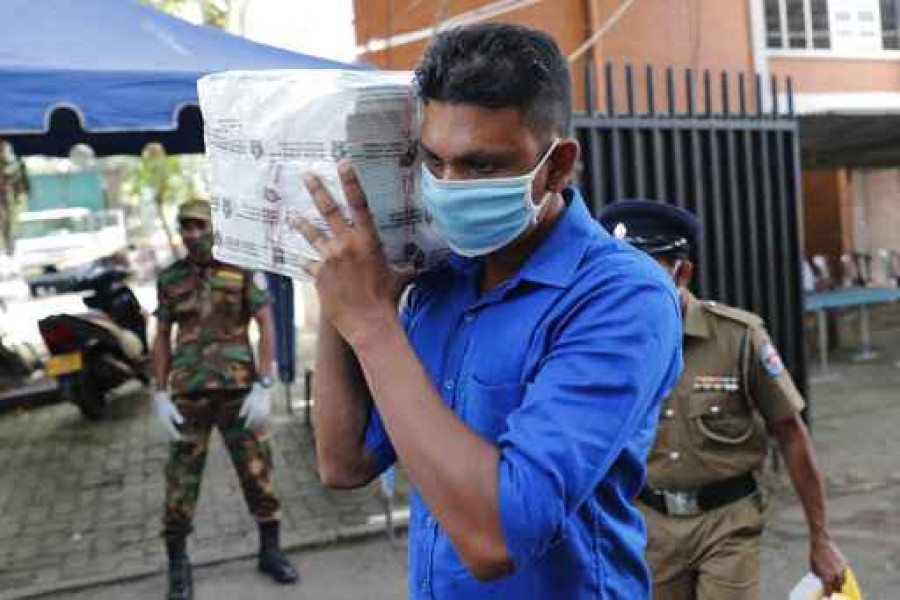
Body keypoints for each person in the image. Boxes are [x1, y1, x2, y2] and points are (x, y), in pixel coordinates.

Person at [295, 24, 682, 599]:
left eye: (482, 166)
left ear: (557, 166)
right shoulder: (440, 280)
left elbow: (496, 540)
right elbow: (344, 462)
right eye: (435, 160)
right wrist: (346, 283)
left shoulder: (622, 298)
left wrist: (373, 324)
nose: (449, 187)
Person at [598, 199, 848, 600]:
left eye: (644, 271)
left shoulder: (738, 336)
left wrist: (821, 538)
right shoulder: (604, 348)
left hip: (728, 521)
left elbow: (790, 433)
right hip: (649, 526)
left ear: (682, 272)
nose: (628, 287)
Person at [151, 198, 298, 600]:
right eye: (186, 227)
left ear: (214, 226)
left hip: (239, 394)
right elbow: (162, 336)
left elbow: (267, 324)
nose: (193, 234)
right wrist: (160, 393)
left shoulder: (241, 268)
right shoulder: (169, 279)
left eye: (199, 225)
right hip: (188, 397)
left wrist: (264, 383)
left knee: (258, 475)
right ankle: (178, 568)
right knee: (180, 485)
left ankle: (271, 552)